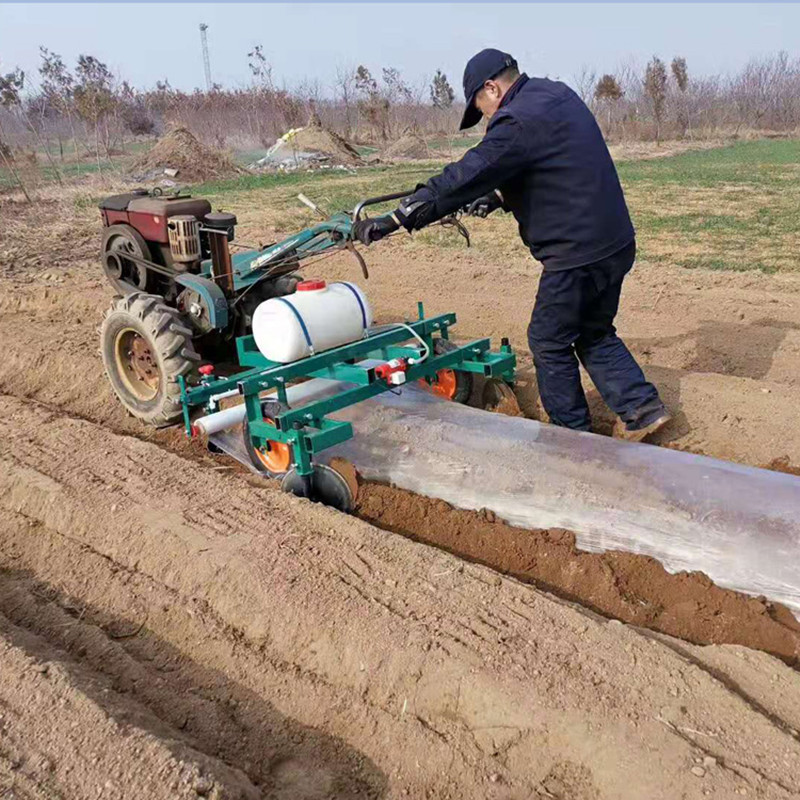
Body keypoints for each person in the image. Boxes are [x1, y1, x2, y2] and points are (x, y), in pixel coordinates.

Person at [353, 48, 670, 442]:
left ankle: (572, 438)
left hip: (575, 254)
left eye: (481, 107)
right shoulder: (556, 95)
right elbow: (558, 163)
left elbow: (468, 173)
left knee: (548, 340)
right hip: (615, 241)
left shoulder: (516, 119)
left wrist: (401, 216)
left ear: (492, 88)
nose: (486, 116)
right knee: (594, 330)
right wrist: (502, 196)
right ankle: (643, 410)